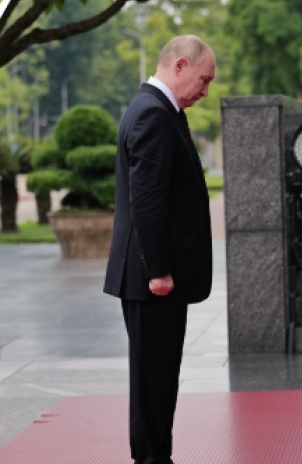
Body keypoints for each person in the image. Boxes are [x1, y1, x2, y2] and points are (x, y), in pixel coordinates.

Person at [104, 35, 216, 464]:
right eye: (203, 80)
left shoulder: (157, 109)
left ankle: (157, 457)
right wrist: (159, 271)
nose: (205, 92)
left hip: (153, 275)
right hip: (153, 279)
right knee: (154, 380)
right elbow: (147, 202)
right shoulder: (153, 114)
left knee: (159, 377)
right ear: (181, 65)